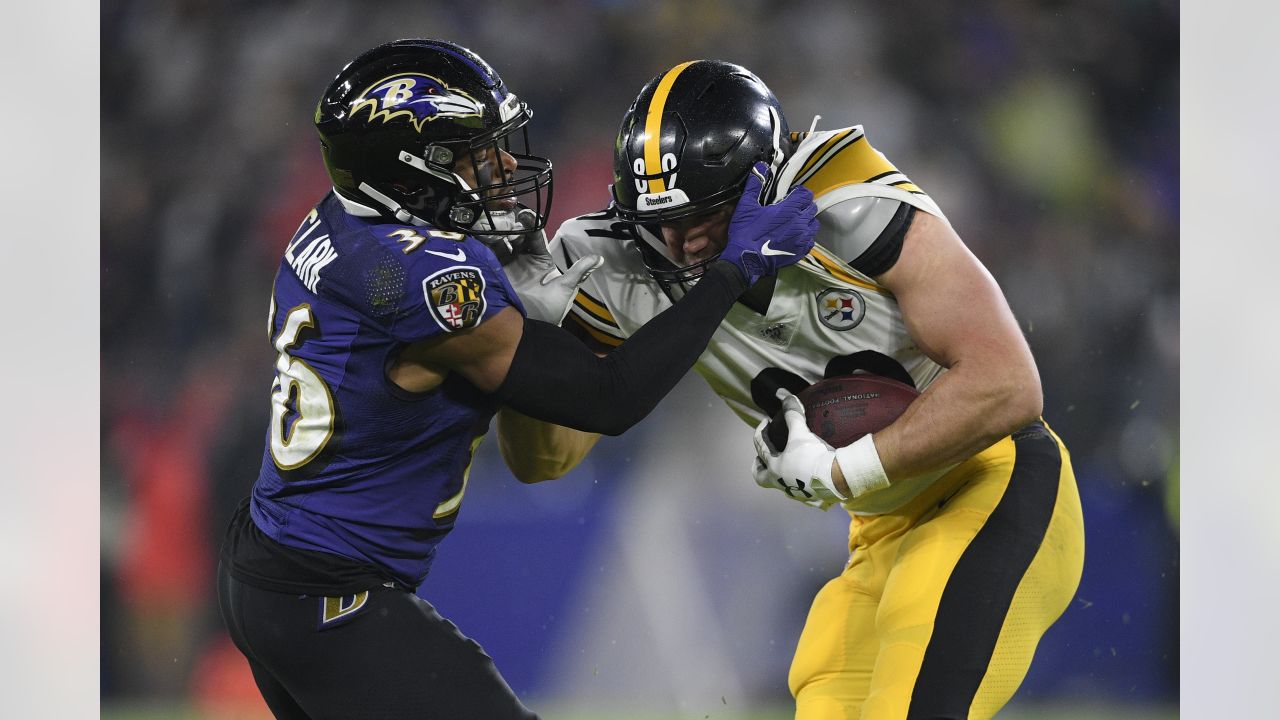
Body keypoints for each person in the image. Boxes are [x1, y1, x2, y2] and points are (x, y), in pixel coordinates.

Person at [215, 41, 818, 719]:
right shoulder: (427, 281)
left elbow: (534, 440)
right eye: (476, 153)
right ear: (413, 171)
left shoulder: (346, 219)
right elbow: (608, 397)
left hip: (271, 567)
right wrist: (734, 272)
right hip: (330, 596)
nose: (504, 166)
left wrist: (525, 313)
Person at [519, 60, 1085, 719]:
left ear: (765, 180)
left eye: (703, 217)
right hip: (880, 527)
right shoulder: (617, 256)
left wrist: (844, 470)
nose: (678, 245)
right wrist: (529, 349)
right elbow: (546, 457)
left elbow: (1007, 385)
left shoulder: (845, 198)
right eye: (659, 221)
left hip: (993, 485)